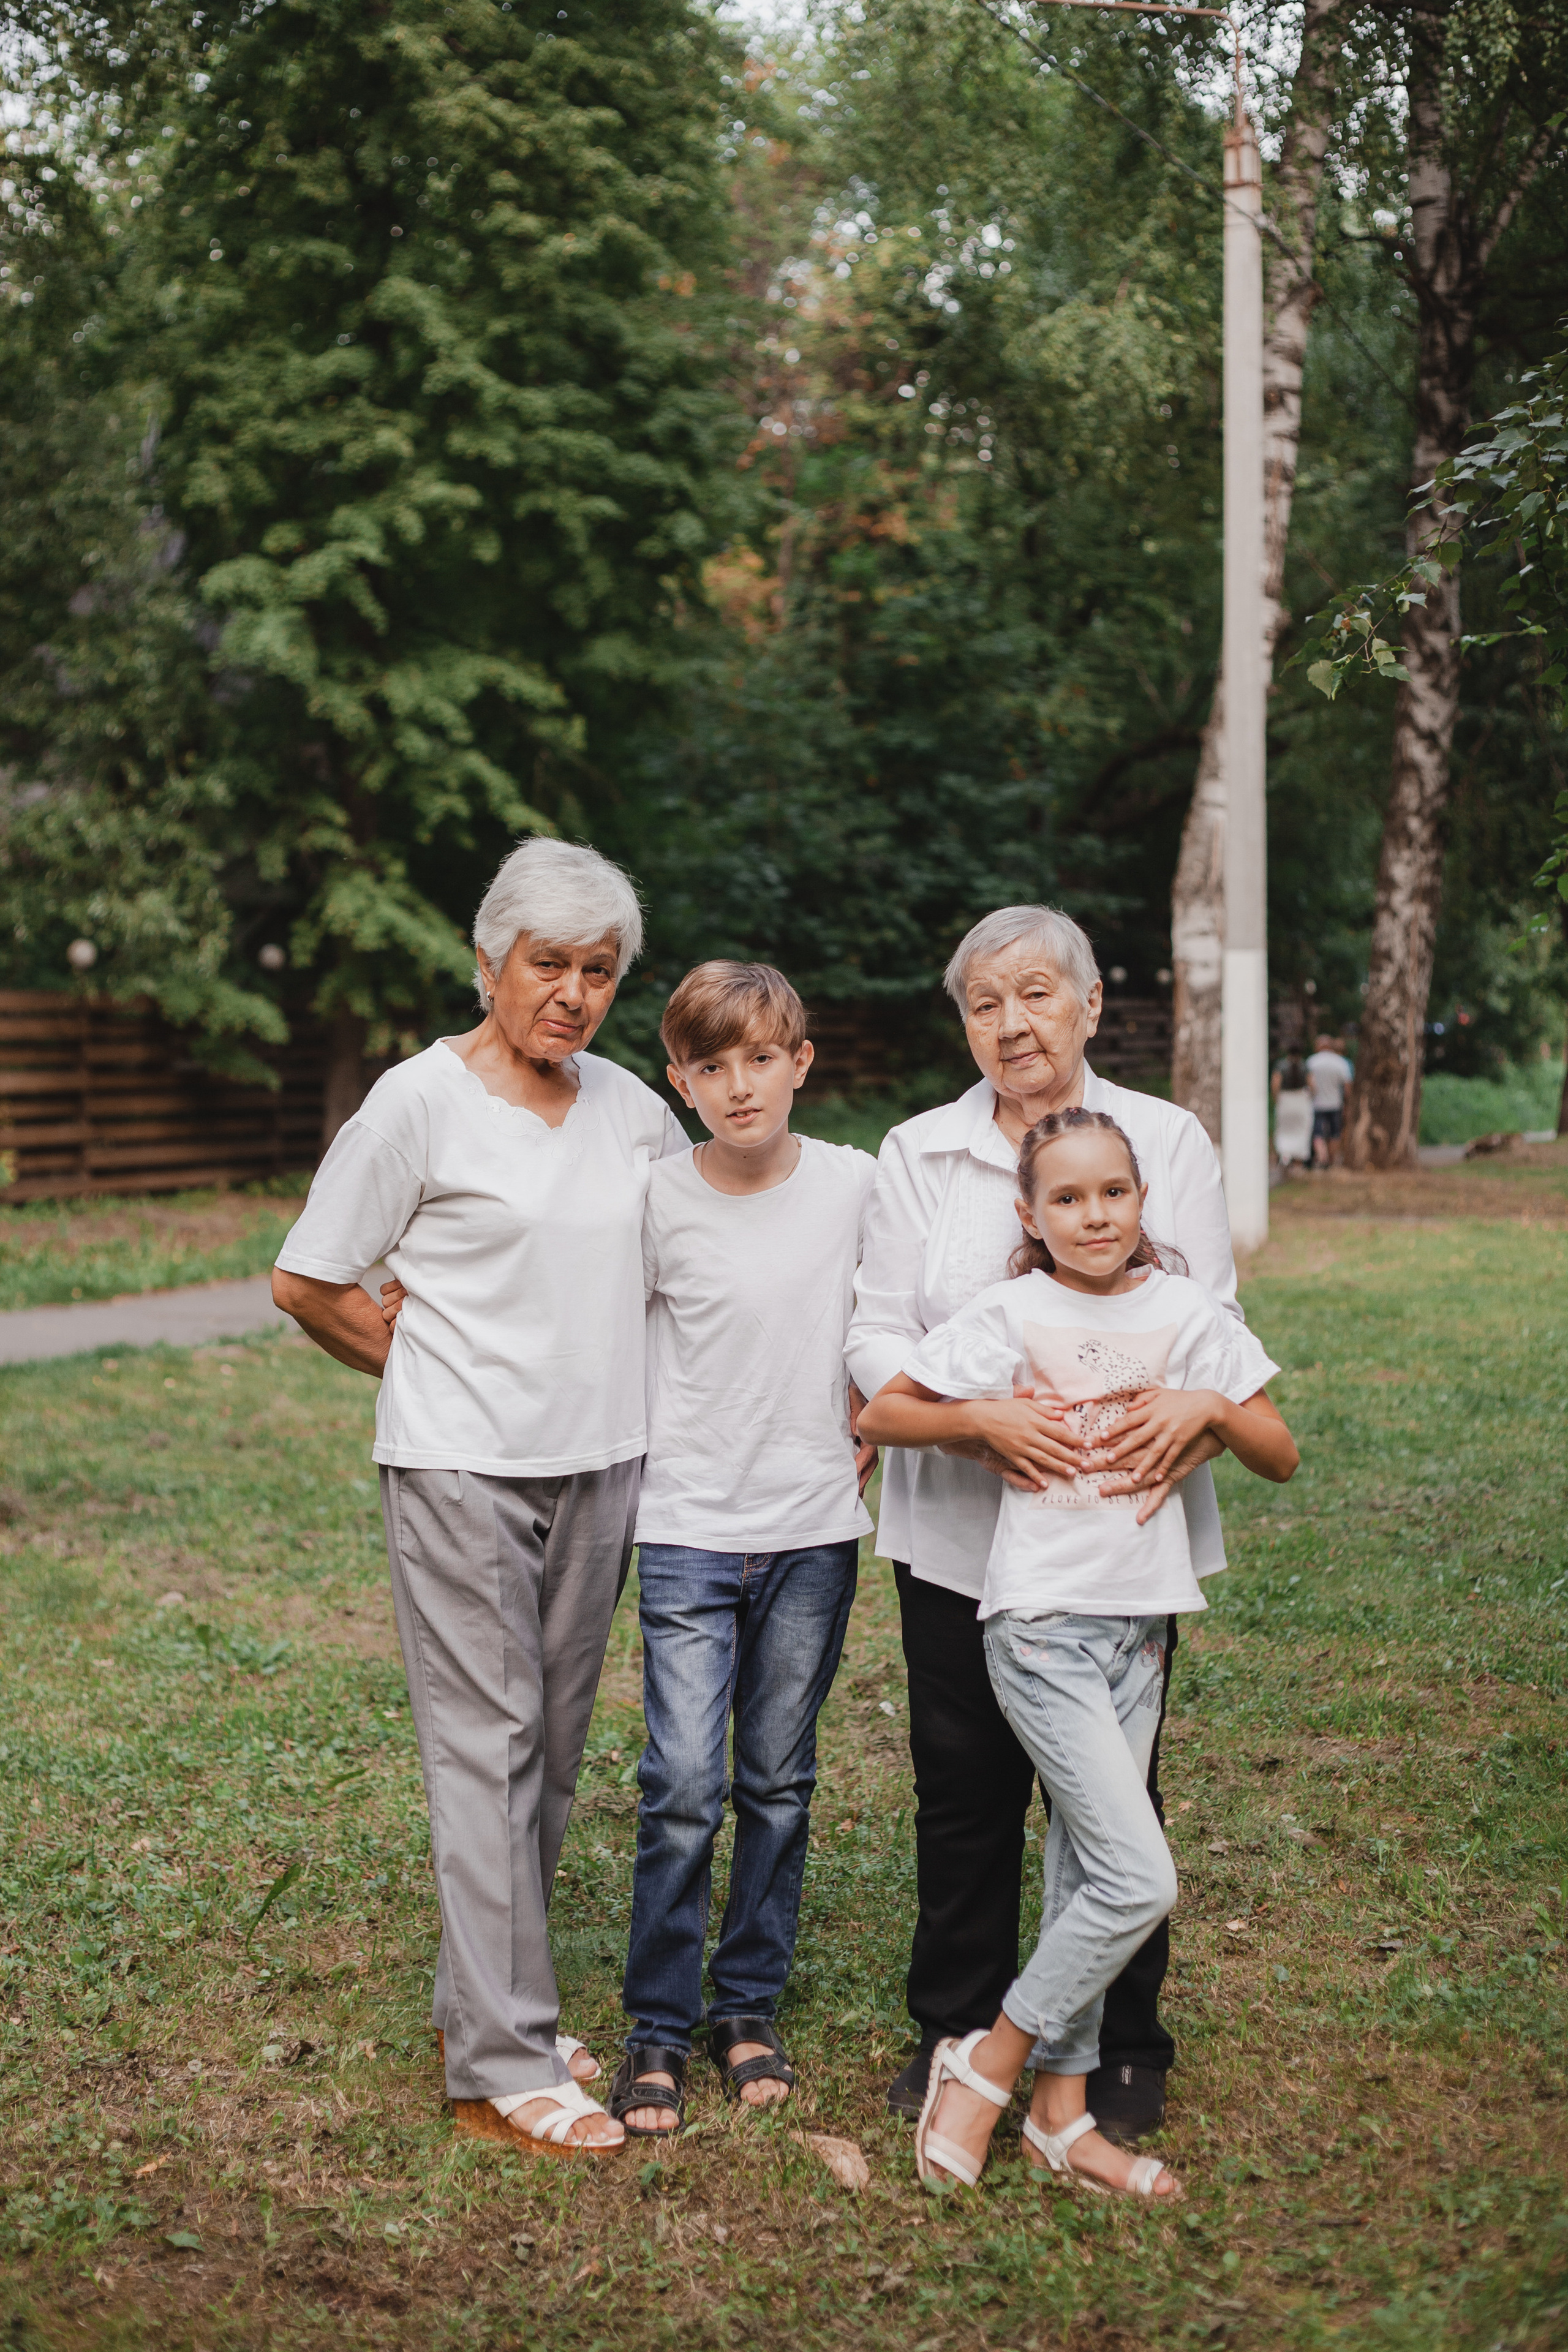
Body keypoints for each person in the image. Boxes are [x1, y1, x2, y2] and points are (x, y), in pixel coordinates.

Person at [271, 837, 685, 2160]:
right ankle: (503, 2063)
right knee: (485, 1748)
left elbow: (690, 1263)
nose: (571, 993)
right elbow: (311, 1279)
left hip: (604, 1462)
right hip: (460, 1465)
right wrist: (427, 1363)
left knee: (549, 1751)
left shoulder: (628, 1108)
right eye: (546, 964)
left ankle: (485, 2006)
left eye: (598, 971)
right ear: (487, 961)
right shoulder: (417, 1102)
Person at [845, 903, 1246, 2145]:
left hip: (1115, 1537)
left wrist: (1183, 1408)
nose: (1009, 1023)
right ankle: (957, 2028)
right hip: (958, 1534)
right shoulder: (917, 1152)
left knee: (1114, 1792)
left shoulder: (1165, 1138)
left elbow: (1207, 1320)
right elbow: (873, 1333)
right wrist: (975, 1423)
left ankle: (1121, 2040)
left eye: (1033, 994)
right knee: (962, 1791)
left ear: (1084, 1005)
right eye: (981, 1002)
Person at [609, 962, 878, 2139]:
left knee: (776, 1778)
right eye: (709, 1067)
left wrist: (883, 1409)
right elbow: (576, 1310)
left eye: (759, 1058)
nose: (737, 1085)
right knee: (682, 1785)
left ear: (801, 1062)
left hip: (813, 1525)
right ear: (679, 1083)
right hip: (684, 1525)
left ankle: (747, 2006)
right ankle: (657, 2024)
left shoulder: (858, 1187)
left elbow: (919, 1307)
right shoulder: (655, 1198)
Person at [1305, 1033, 1355, 1167]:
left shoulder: (1312, 1061)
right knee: (1335, 1133)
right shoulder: (1340, 1062)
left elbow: (1309, 1084)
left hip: (1317, 1104)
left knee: (1318, 1133)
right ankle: (1332, 1160)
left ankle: (1323, 1158)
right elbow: (1347, 1086)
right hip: (1335, 1103)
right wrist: (1348, 1103)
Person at [1272, 1053, 1313, 1173]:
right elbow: (1312, 1084)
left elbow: (1276, 1083)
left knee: (1284, 1130)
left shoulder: (1281, 1065)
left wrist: (1277, 1099)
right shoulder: (1305, 1065)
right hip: (1301, 1100)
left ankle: (1285, 1155)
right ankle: (1298, 1161)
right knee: (1301, 1130)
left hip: (1285, 1100)